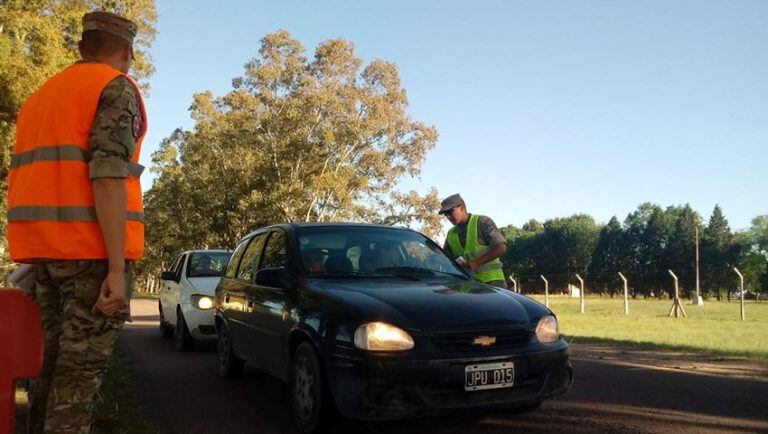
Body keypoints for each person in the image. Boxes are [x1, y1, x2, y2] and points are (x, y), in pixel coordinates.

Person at [6, 11, 147, 433]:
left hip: (46, 255)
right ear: (127, 52)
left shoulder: (41, 96)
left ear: (82, 48)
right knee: (77, 384)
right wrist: (118, 269)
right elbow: (107, 173)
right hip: (92, 255)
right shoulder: (114, 87)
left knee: (51, 374)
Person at [439, 194, 507, 288]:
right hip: (467, 286)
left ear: (462, 207)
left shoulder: (482, 222)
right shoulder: (451, 234)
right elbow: (445, 258)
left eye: (450, 212)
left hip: (492, 283)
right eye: (445, 214)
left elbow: (501, 248)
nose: (448, 217)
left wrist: (476, 263)